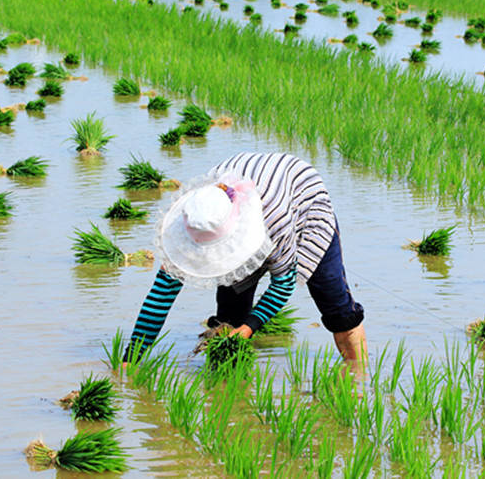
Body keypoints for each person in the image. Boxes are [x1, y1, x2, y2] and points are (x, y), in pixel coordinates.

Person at [124, 152, 368, 371]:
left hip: (304, 203)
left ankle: (359, 381)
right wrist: (129, 359)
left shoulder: (275, 220)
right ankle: (231, 399)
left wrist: (250, 326)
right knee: (228, 322)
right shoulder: (196, 218)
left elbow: (283, 283)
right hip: (245, 202)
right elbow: (160, 296)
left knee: (337, 308)